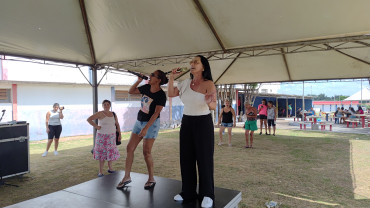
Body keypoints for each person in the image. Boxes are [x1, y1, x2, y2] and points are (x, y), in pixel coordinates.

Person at [168, 55, 217, 208]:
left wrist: (210, 102)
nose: (192, 64)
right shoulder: (185, 83)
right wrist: (171, 78)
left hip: (203, 123)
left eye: (196, 62)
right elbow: (170, 94)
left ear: (203, 66)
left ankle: (207, 194)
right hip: (187, 122)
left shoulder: (209, 84)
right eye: (191, 62)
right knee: (186, 158)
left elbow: (214, 106)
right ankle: (187, 192)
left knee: (204, 160)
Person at [117, 70, 167, 189]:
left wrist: (145, 128)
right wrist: (138, 81)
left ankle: (151, 178)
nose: (150, 76)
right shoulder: (146, 87)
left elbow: (156, 113)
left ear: (159, 80)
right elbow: (131, 91)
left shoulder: (161, 95)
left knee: (146, 152)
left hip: (151, 124)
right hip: (139, 121)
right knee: (129, 148)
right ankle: (127, 176)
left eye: (153, 75)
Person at [87, 100, 121, 177]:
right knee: (102, 154)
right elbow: (89, 119)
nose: (106, 106)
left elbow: (117, 124)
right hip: (102, 137)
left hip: (112, 136)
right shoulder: (100, 113)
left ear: (110, 105)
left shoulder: (113, 114)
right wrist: (96, 126)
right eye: (104, 104)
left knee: (110, 153)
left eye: (108, 104)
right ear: (102, 105)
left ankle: (110, 168)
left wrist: (119, 134)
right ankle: (100, 172)